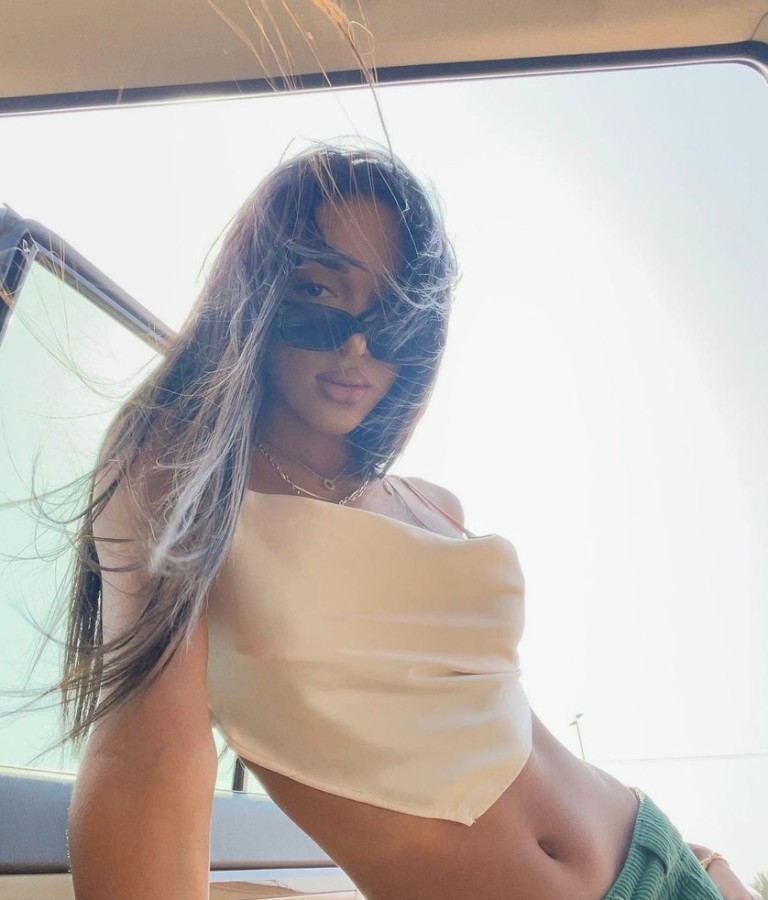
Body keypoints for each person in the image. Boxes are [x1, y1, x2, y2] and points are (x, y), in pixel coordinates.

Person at [63, 144, 750, 900]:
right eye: (319, 292)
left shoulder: (432, 503)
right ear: (256, 294)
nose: (357, 343)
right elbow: (149, 755)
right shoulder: (182, 467)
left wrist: (710, 865)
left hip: (664, 860)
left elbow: (497, 732)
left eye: (391, 314)